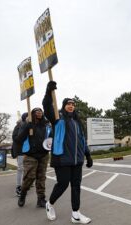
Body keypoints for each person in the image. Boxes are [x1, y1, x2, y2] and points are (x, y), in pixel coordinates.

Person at [42, 81, 93, 224]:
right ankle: (50, 203)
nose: (71, 105)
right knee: (63, 184)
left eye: (73, 104)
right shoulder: (57, 120)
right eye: (68, 104)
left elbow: (82, 140)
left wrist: (87, 155)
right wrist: (48, 92)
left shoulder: (78, 123)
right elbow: (47, 107)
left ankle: (75, 214)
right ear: (64, 107)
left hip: (77, 160)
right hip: (62, 159)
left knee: (76, 186)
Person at [15, 107, 51, 208]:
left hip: (43, 155)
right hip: (31, 155)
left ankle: (41, 199)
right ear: (32, 114)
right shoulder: (27, 125)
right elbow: (18, 139)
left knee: (41, 178)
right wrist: (27, 127)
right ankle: (22, 194)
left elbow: (50, 138)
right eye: (36, 111)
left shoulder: (47, 125)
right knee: (29, 177)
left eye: (40, 111)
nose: (39, 112)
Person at [11, 112, 28, 197]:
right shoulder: (19, 126)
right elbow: (15, 138)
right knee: (20, 168)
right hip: (21, 151)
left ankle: (26, 182)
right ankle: (19, 187)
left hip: (29, 151)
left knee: (28, 168)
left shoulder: (32, 125)